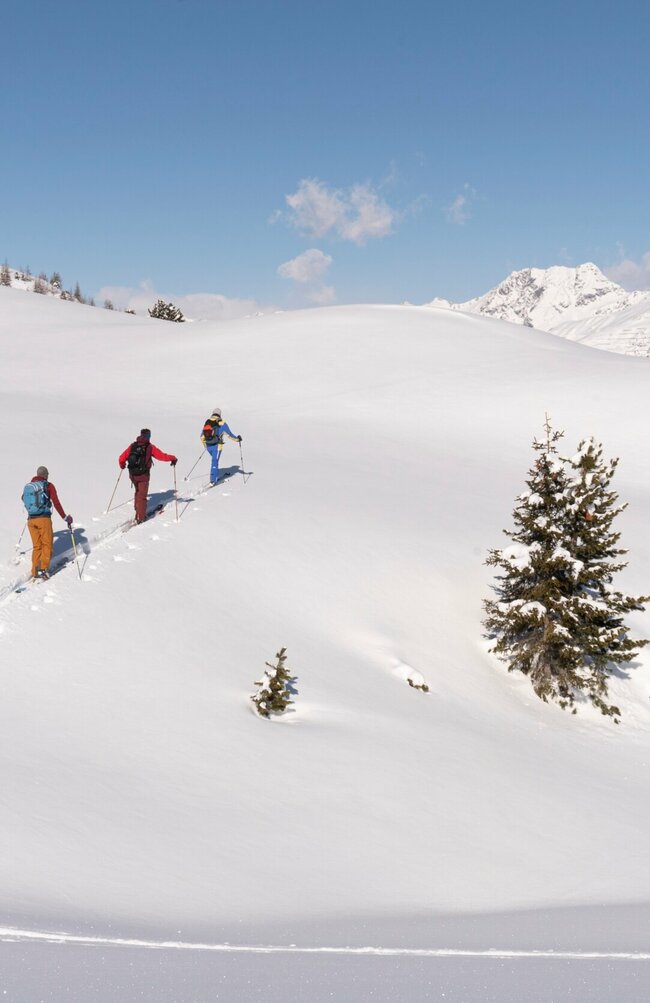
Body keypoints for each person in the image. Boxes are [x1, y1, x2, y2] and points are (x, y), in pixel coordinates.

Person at [21, 466, 73, 580]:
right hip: (43, 519)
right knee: (47, 544)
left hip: (31, 520)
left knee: (37, 546)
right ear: (45, 475)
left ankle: (35, 570)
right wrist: (65, 517)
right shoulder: (48, 486)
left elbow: (23, 499)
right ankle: (43, 570)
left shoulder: (29, 487)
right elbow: (56, 502)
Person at [118, 428, 177, 523]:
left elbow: (121, 458)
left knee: (137, 491)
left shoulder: (133, 446)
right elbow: (162, 456)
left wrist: (122, 464)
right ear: (149, 436)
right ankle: (140, 518)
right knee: (142, 496)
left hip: (132, 475)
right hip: (143, 475)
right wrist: (172, 458)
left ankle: (137, 510)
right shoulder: (150, 447)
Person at [200, 407, 242, 485]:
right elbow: (230, 435)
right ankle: (213, 480)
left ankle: (213, 476)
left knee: (214, 461)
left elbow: (201, 437)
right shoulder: (222, 423)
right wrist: (238, 439)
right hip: (217, 447)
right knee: (214, 462)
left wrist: (205, 446)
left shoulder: (207, 422)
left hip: (208, 446)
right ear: (220, 414)